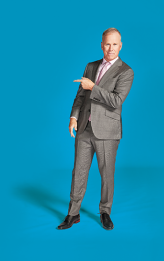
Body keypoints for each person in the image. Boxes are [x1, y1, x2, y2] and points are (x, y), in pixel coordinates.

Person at [57, 28, 134, 230]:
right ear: (101, 45)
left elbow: (116, 101)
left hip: (107, 132)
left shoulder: (126, 71)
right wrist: (73, 117)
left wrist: (94, 88)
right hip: (84, 127)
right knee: (78, 173)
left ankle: (105, 212)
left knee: (106, 174)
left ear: (121, 46)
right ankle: (73, 214)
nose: (111, 48)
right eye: (107, 44)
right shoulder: (90, 66)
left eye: (115, 44)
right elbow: (80, 96)